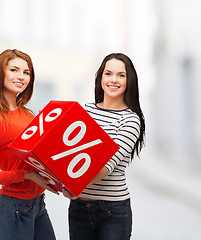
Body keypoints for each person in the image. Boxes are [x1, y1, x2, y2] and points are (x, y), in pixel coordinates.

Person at [0, 49, 58, 240]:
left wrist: (60, 181)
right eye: (14, 70)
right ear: (0, 74)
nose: (21, 77)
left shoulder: (28, 115)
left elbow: (38, 159)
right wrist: (26, 175)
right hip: (14, 208)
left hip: (38, 205)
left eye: (26, 72)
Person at [64, 53, 145, 240]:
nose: (113, 80)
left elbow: (103, 169)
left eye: (121, 75)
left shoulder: (130, 120)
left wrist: (71, 181)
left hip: (112, 211)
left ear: (129, 80)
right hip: (78, 209)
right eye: (108, 73)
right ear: (101, 77)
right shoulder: (85, 111)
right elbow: (67, 154)